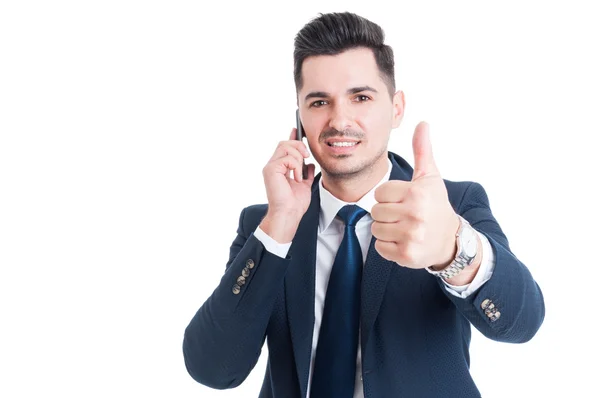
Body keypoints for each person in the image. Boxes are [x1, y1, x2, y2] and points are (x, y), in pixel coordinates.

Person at [182, 11, 545, 398]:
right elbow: (213, 369)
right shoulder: (267, 224)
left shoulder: (449, 207)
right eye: (319, 101)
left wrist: (453, 250)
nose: (340, 120)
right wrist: (279, 226)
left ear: (396, 108)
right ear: (300, 119)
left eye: (361, 97)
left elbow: (520, 322)